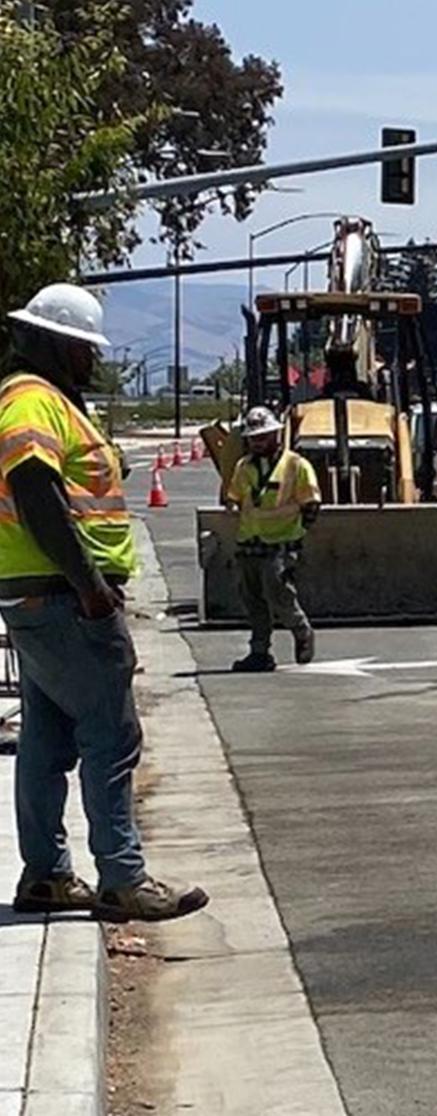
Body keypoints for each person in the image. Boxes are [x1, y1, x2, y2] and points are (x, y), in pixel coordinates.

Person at [2, 283, 208, 922]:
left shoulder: (35, 397)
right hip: (64, 597)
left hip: (37, 595)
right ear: (57, 343)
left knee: (46, 736)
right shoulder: (33, 401)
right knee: (111, 736)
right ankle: (122, 877)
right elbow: (36, 487)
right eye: (86, 349)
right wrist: (92, 587)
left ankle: (46, 875)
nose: (94, 362)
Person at [223, 406, 320, 672]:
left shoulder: (296, 465)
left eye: (262, 437)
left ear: (276, 434)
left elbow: (311, 503)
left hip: (281, 543)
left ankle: (301, 631)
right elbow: (234, 497)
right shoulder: (244, 466)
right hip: (250, 542)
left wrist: (298, 534)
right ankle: (259, 652)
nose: (257, 442)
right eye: (253, 438)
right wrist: (232, 509)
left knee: (278, 593)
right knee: (252, 599)